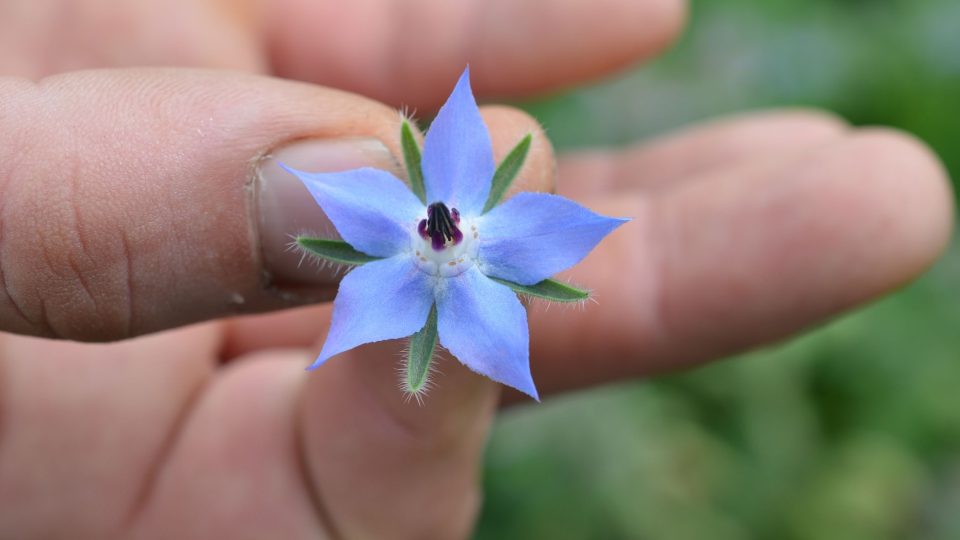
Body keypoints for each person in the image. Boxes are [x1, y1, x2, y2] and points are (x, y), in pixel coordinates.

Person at [0, 0, 952, 538]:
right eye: (439, 228)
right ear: (430, 220)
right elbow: (342, 278)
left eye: (448, 229)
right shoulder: (379, 244)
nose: (445, 234)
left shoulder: (492, 286)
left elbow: (528, 286)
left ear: (458, 226)